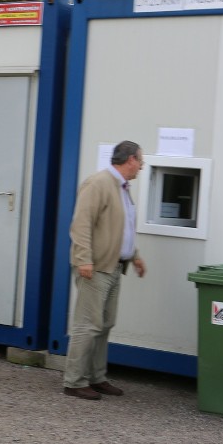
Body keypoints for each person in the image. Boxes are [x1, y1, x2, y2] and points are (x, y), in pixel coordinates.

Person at [63, 140, 146, 400]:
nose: (142, 166)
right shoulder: (98, 183)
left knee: (105, 323)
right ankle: (74, 381)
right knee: (88, 325)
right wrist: (84, 259)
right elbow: (81, 224)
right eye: (140, 160)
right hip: (95, 267)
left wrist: (134, 256)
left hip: (113, 266)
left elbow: (122, 229)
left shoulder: (122, 188)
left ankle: (96, 377)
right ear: (130, 159)